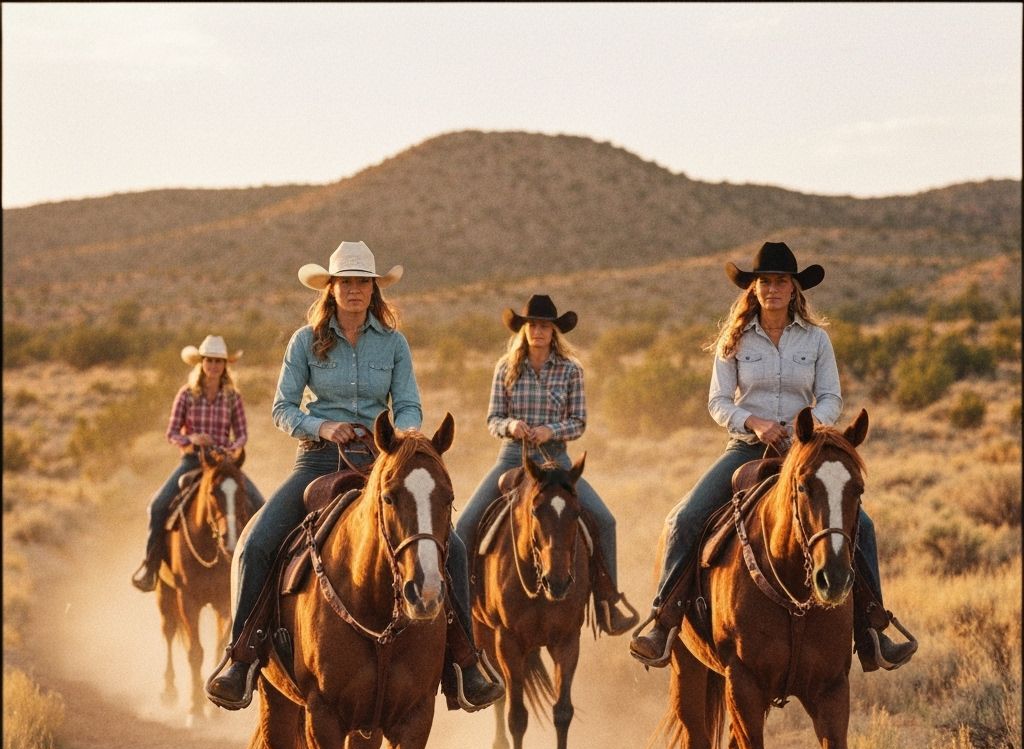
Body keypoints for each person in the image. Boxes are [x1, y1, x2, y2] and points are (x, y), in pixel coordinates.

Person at [205, 240, 505, 712]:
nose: (354, 289)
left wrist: (405, 436)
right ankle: (239, 658)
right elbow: (282, 408)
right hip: (317, 460)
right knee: (256, 543)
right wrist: (322, 426)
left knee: (455, 549)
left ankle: (464, 663)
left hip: (379, 461)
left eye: (362, 282)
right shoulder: (305, 341)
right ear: (330, 288)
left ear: (373, 289)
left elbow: (408, 403)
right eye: (345, 281)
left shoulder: (393, 343)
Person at [629, 242, 918, 672]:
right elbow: (718, 402)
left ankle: (873, 630)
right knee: (684, 518)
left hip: (803, 453)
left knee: (864, 527)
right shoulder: (734, 340)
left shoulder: (816, 339)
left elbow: (831, 397)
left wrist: (809, 430)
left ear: (794, 287)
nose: (773, 288)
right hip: (746, 448)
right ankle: (664, 621)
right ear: (754, 288)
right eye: (765, 281)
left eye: (781, 281)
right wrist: (754, 423)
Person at [455, 294, 639, 636]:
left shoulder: (571, 370)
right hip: (512, 457)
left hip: (558, 460)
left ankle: (607, 602)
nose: (538, 331)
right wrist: (511, 426)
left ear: (554, 331)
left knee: (605, 520)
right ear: (523, 330)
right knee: (465, 524)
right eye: (532, 325)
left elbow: (579, 422)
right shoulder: (505, 368)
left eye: (544, 326)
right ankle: (459, 609)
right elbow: (493, 419)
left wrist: (551, 430)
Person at [131, 335, 265, 592]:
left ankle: (262, 570)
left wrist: (232, 449)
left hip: (223, 463)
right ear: (201, 363)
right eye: (209, 360)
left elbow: (242, 434)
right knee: (158, 505)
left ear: (225, 365)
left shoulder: (232, 397)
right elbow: (172, 432)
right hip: (193, 460)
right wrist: (191, 439)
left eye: (218, 361)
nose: (214, 365)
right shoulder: (187, 395)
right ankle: (151, 566)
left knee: (261, 506)